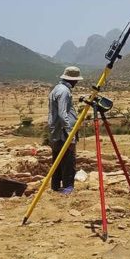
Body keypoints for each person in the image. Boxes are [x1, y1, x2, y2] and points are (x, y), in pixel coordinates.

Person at [47, 66, 83, 194]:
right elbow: (63, 114)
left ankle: (55, 186)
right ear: (72, 80)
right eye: (76, 80)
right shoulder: (64, 91)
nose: (77, 83)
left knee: (57, 159)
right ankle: (68, 187)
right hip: (64, 132)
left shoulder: (56, 89)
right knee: (68, 159)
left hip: (56, 131)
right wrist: (70, 134)